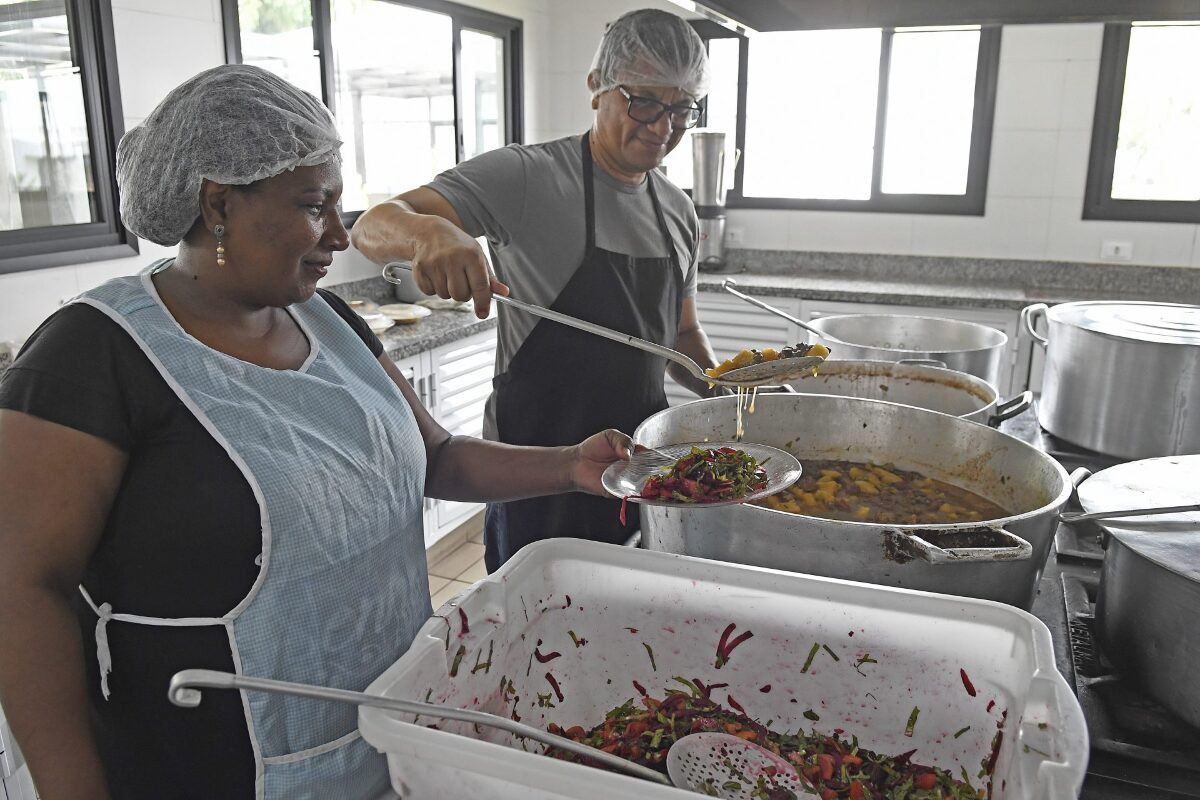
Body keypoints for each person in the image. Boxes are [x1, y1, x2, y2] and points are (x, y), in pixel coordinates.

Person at [0, 64, 635, 800]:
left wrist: (573, 465)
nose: (340, 234)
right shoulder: (95, 354)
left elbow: (436, 457)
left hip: (387, 735)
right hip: (204, 766)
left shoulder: (327, 319)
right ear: (217, 206)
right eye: (314, 206)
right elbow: (22, 588)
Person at [352, 9, 722, 572]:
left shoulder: (678, 210)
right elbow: (373, 225)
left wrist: (732, 395)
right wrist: (431, 233)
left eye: (680, 109)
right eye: (644, 102)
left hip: (642, 468)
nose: (662, 127)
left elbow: (682, 334)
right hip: (536, 472)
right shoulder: (528, 178)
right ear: (597, 86)